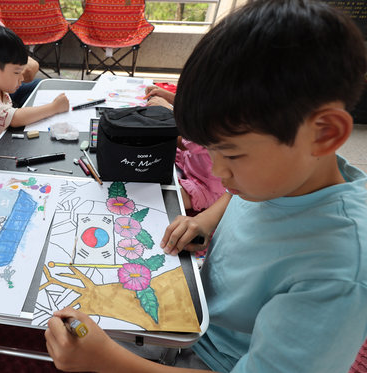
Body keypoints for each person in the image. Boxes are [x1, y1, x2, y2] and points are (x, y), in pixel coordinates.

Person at [44, 1, 367, 372]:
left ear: (325, 133)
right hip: (191, 317)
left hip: (218, 361)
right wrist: (206, 222)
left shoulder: (339, 274)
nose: (218, 171)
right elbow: (234, 195)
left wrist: (106, 361)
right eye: (211, 150)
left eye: (232, 155)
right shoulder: (284, 175)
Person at [145, 85, 224, 211]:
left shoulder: (219, 126)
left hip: (207, 187)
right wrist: (168, 97)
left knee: (164, 197)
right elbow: (193, 108)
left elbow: (180, 141)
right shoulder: (213, 108)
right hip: (189, 158)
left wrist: (167, 111)